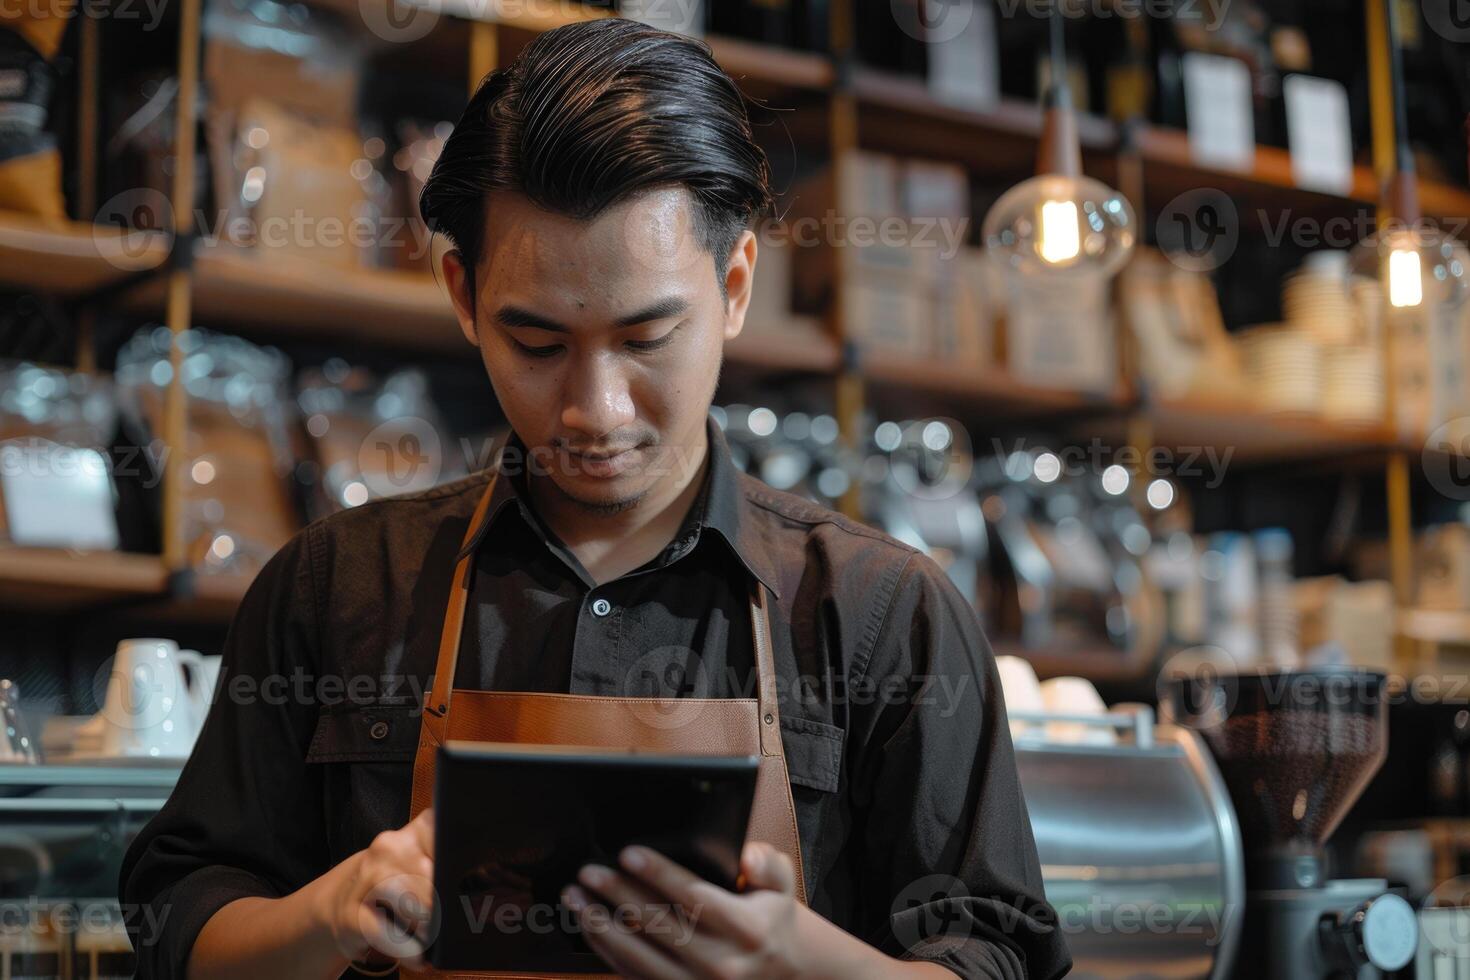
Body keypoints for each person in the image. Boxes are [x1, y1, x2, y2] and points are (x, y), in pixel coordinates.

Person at [119, 17, 1071, 980]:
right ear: (462, 294)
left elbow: (997, 955)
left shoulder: (881, 614)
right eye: (535, 344)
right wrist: (331, 911)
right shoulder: (334, 586)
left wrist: (802, 961)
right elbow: (180, 928)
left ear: (735, 283)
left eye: (648, 337)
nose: (594, 409)